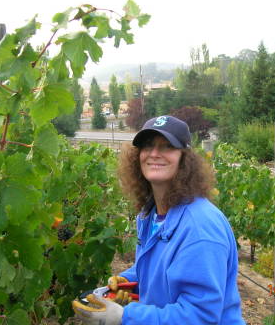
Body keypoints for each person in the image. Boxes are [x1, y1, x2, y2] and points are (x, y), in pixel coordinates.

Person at [73, 115, 245, 325]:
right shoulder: (151, 215)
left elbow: (200, 317)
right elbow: (158, 269)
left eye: (167, 147)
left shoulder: (200, 228)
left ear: (185, 159)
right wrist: (128, 280)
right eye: (147, 146)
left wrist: (125, 317)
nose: (154, 154)